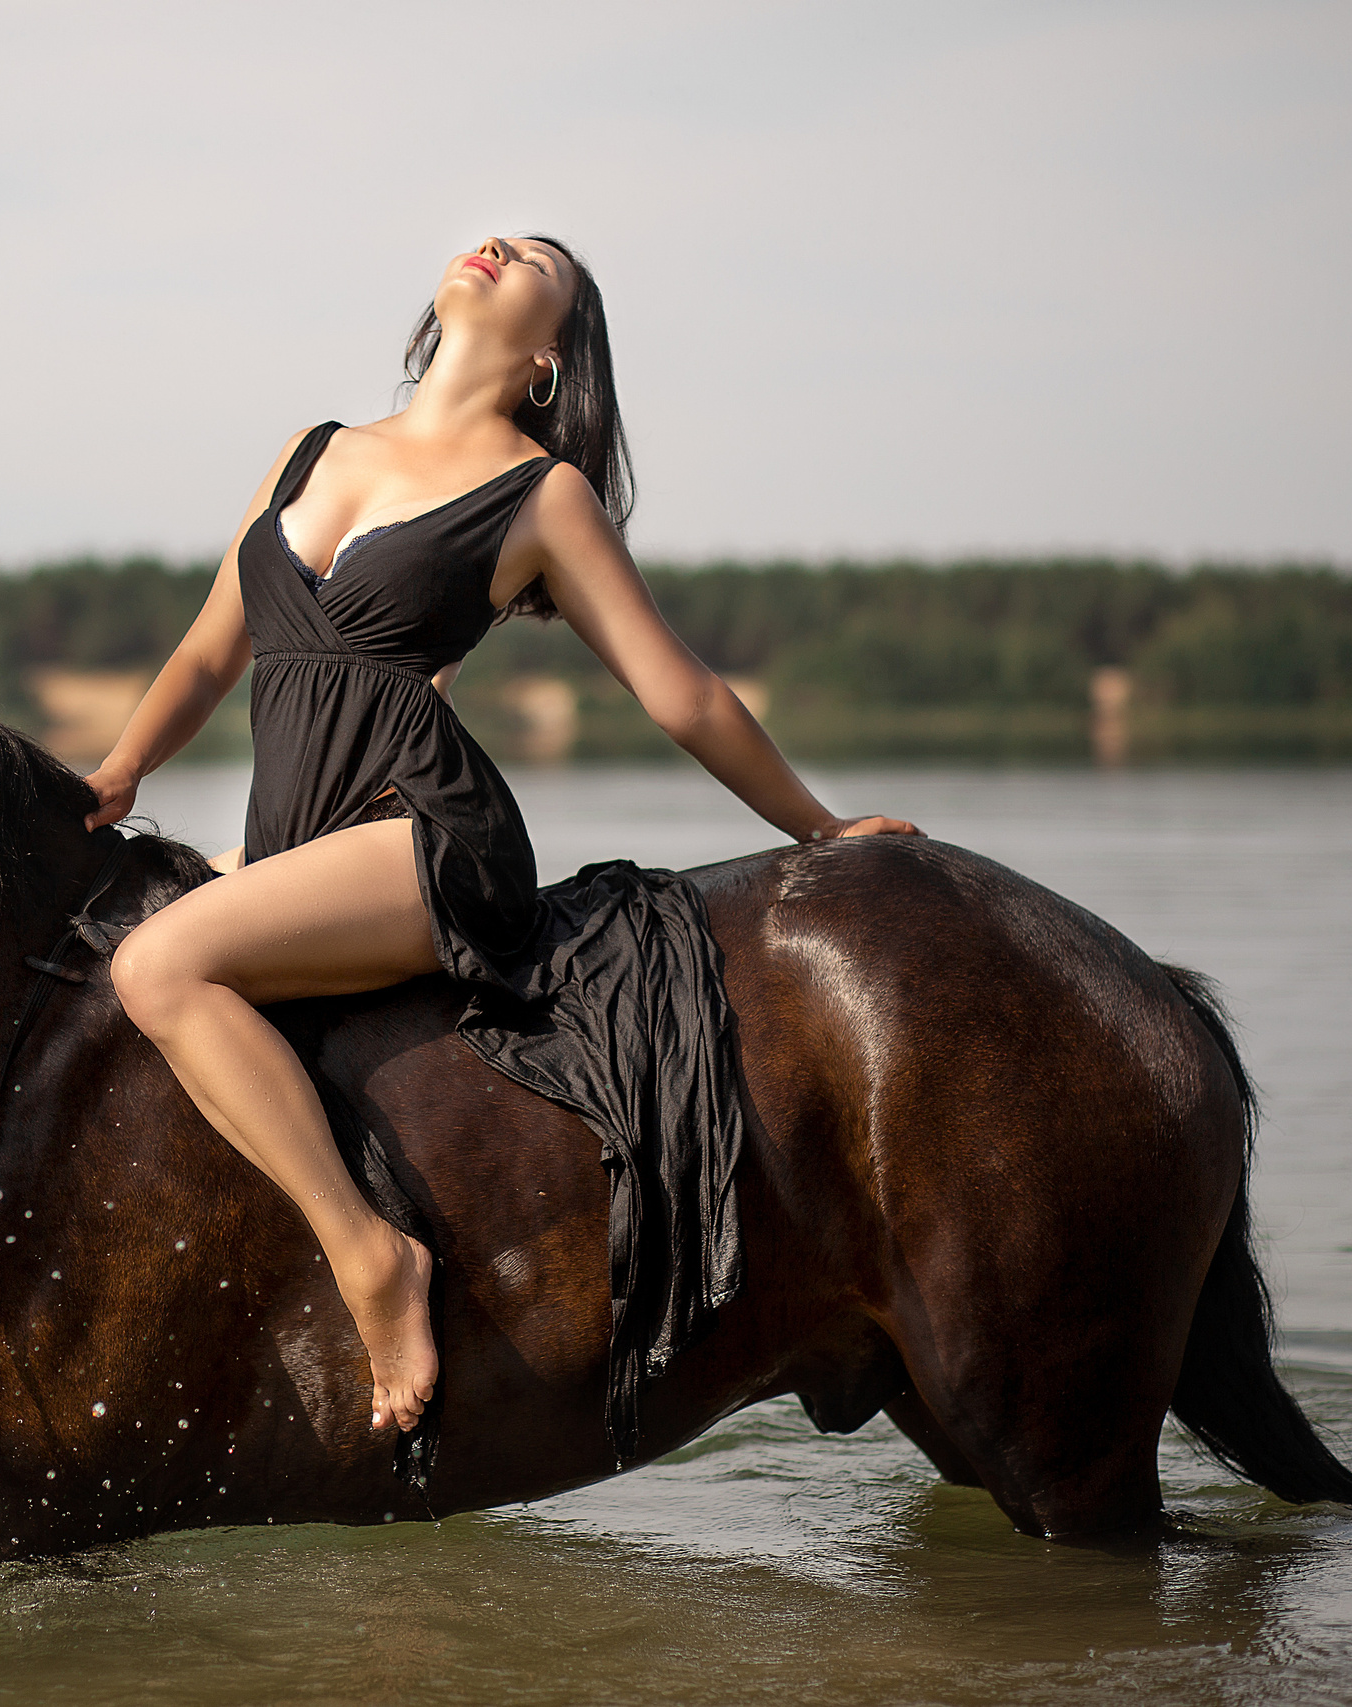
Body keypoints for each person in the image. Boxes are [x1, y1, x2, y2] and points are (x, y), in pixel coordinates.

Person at [84, 236, 920, 1438]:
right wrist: (120, 769)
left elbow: (680, 693)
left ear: (549, 357)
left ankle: (373, 1258)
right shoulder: (310, 450)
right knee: (86, 936)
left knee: (159, 966)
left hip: (421, 833)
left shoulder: (542, 495)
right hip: (291, 843)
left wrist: (820, 825)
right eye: (496, 236)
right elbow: (212, 650)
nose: (496, 245)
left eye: (536, 259)